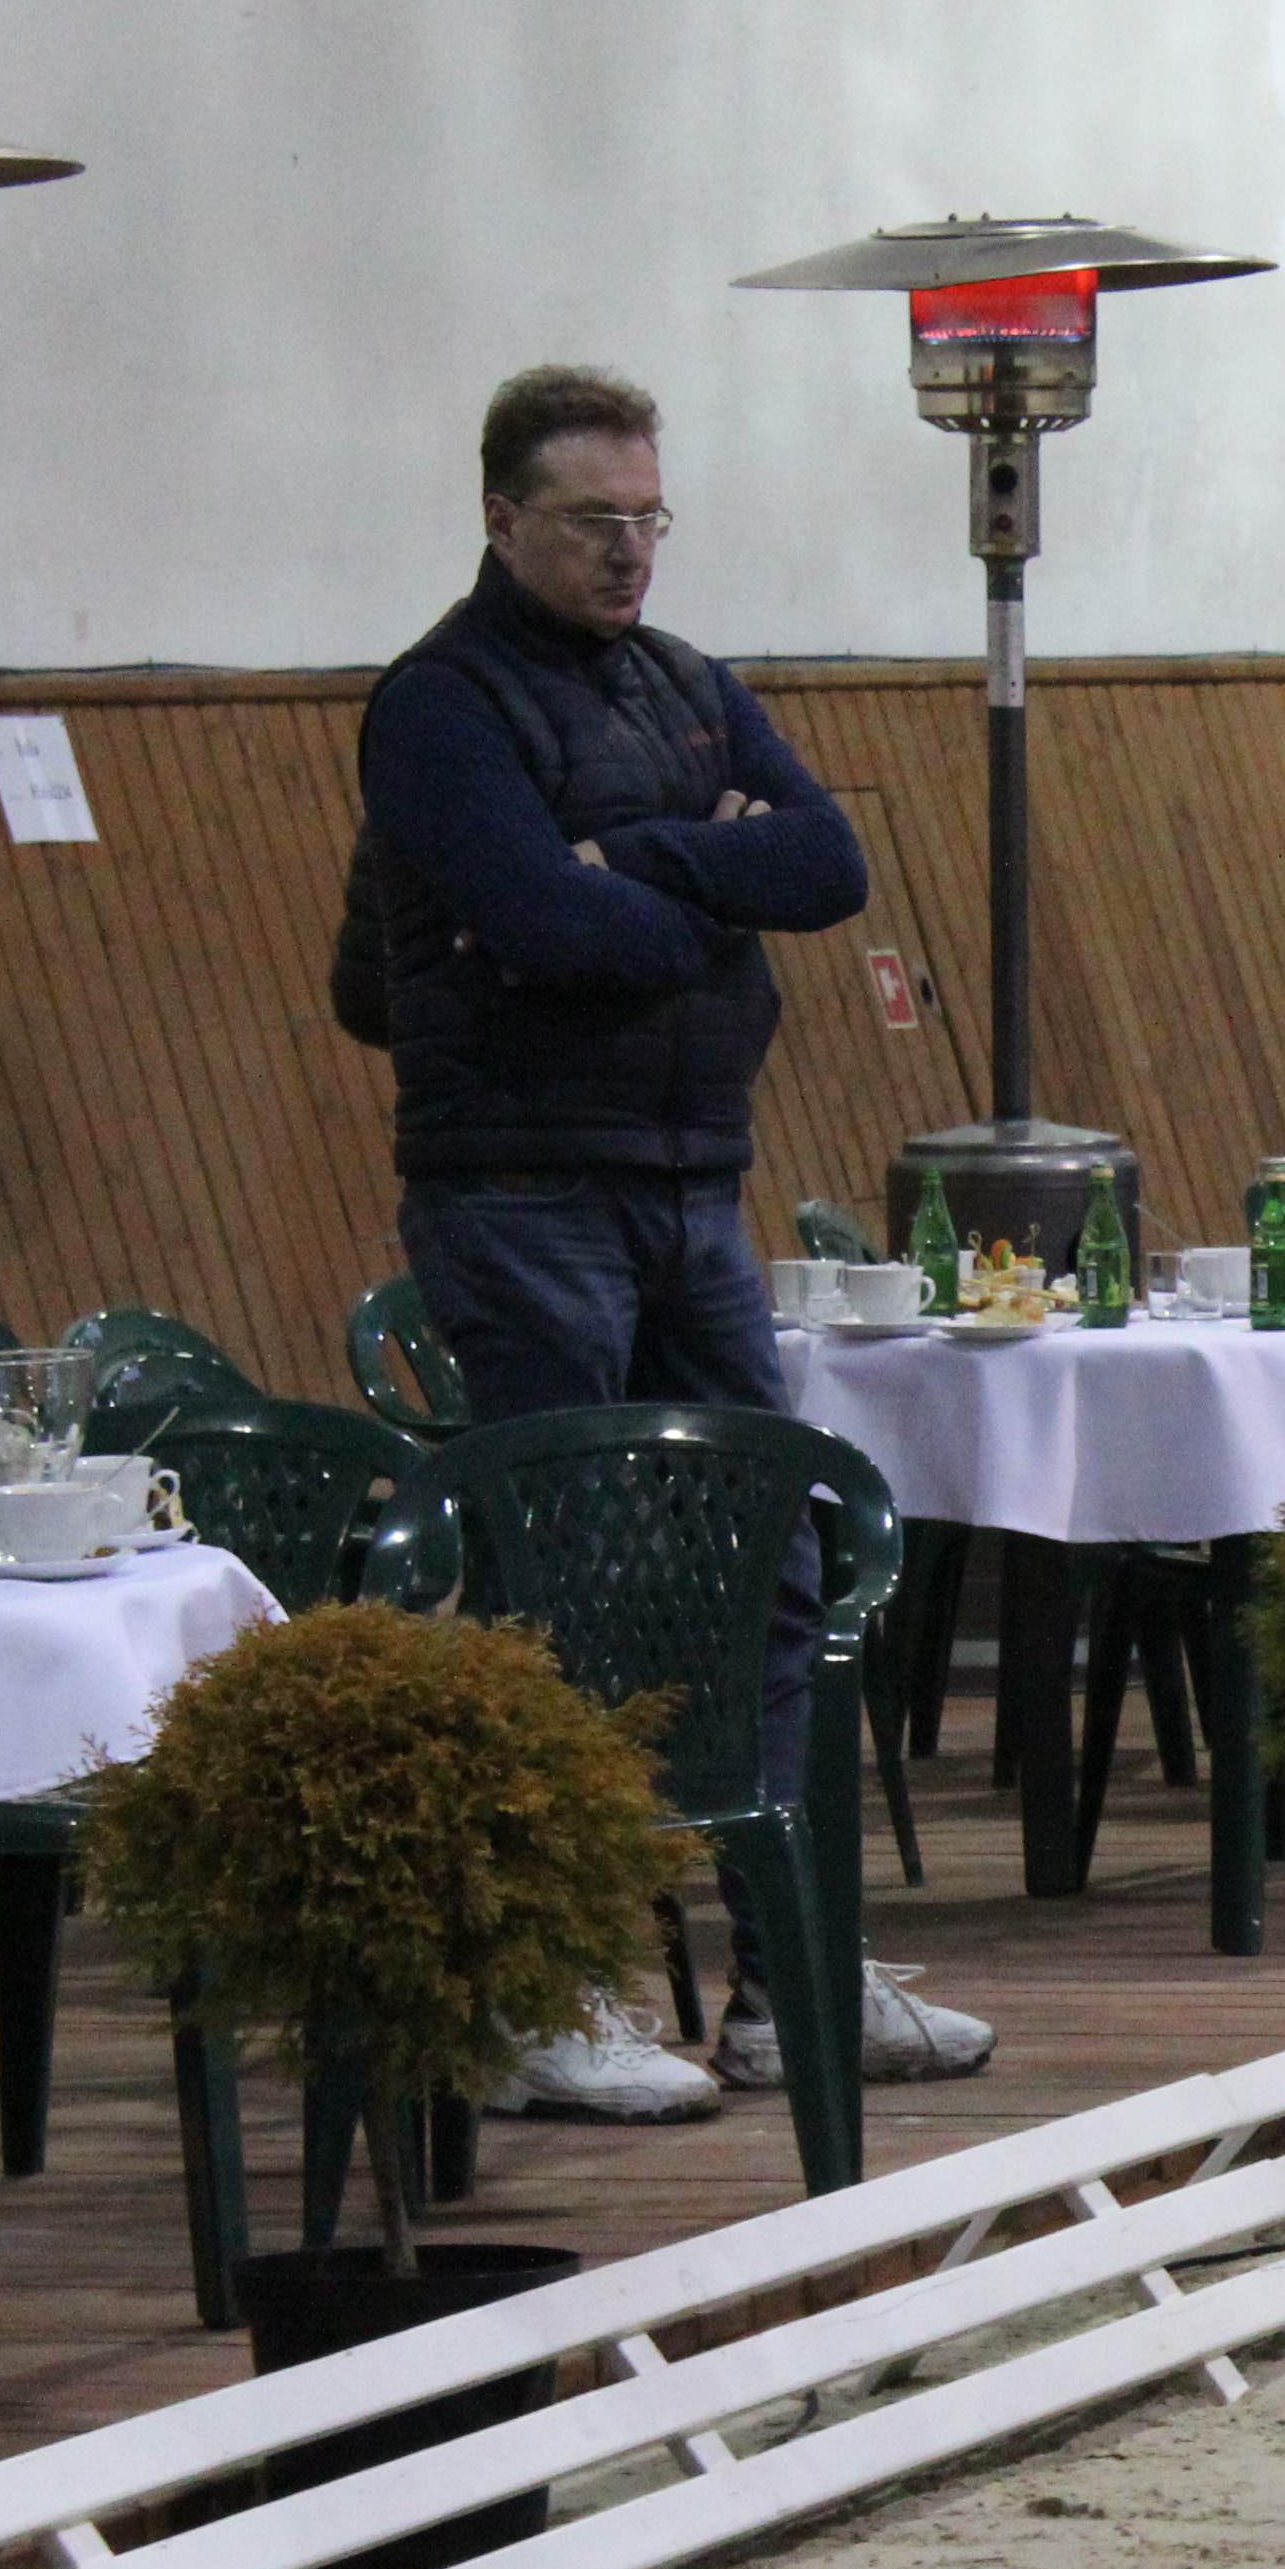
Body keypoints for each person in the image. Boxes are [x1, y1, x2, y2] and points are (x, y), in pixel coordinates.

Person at [362, 363, 990, 2116]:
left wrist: (647, 858)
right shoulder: (439, 703)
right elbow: (543, 927)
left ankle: (792, 1979)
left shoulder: (685, 682)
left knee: (771, 1565)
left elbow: (829, 863)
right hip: (520, 1193)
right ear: (502, 520)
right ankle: (541, 1990)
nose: (628, 550)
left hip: (686, 1186)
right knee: (559, 1585)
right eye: (590, 522)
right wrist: (694, 892)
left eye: (648, 519)